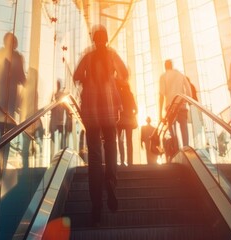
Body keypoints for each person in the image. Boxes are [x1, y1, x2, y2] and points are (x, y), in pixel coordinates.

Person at [73, 25, 128, 226]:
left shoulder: (88, 57)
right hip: (110, 109)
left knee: (95, 155)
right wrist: (114, 80)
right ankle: (110, 181)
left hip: (91, 111)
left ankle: (96, 204)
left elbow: (76, 75)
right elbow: (125, 73)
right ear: (106, 39)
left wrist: (87, 80)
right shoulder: (112, 55)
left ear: (94, 40)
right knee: (111, 146)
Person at [158, 59, 191, 149]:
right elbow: (188, 88)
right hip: (181, 104)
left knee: (172, 128)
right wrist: (188, 100)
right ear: (171, 65)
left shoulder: (163, 76)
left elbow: (161, 95)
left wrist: (160, 114)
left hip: (170, 106)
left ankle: (175, 149)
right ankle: (186, 148)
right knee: (184, 128)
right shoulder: (180, 74)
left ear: (165, 66)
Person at [117, 81, 137, 167]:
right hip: (129, 122)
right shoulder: (130, 94)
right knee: (129, 141)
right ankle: (130, 162)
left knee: (121, 141)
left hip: (120, 121)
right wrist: (131, 114)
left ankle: (122, 161)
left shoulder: (119, 94)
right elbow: (136, 109)